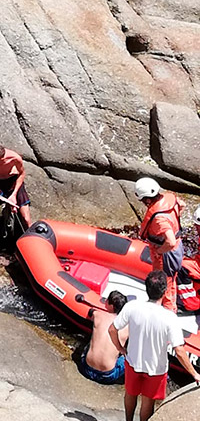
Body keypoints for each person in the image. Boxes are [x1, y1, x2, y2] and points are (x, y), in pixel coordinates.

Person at [109, 271, 200, 421]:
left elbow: (112, 329)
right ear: (164, 292)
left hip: (133, 362)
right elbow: (179, 350)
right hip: (156, 369)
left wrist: (120, 348)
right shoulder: (170, 318)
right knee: (148, 402)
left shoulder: (132, 307)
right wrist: (194, 374)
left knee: (130, 394)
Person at [133, 177, 184, 313]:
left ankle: (168, 311)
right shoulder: (170, 198)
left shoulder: (159, 219)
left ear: (147, 199)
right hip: (177, 246)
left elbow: (170, 242)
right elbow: (182, 204)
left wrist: (159, 251)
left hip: (166, 253)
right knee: (170, 280)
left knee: (164, 282)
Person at [78, 290, 128, 384]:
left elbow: (91, 312)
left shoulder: (98, 315)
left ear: (111, 305)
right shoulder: (127, 327)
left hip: (86, 368)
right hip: (107, 376)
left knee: (92, 341)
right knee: (128, 355)